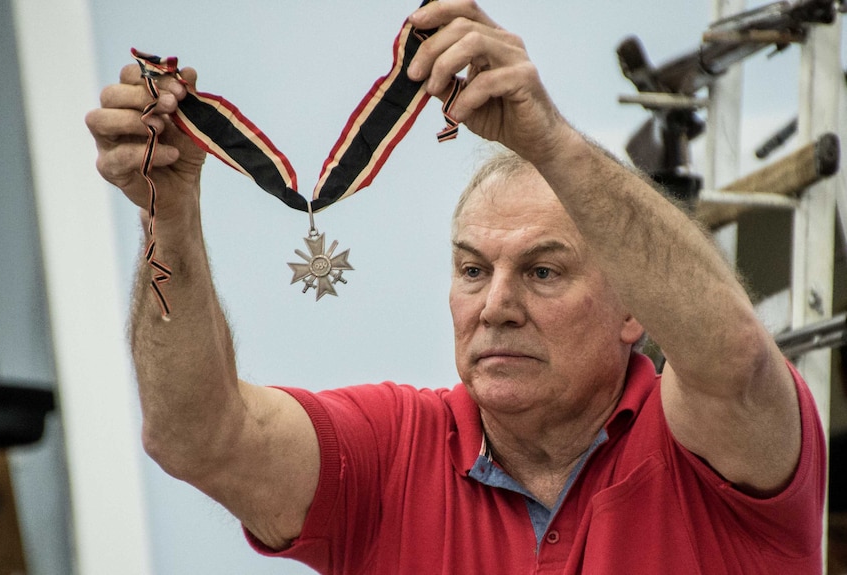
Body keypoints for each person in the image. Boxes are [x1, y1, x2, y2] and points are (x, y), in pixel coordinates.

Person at [85, 1, 826, 573]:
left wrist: (549, 139)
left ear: (633, 308)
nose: (496, 306)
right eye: (473, 269)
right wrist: (169, 214)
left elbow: (734, 358)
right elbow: (196, 435)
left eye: (543, 270)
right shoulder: (393, 453)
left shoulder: (706, 447)